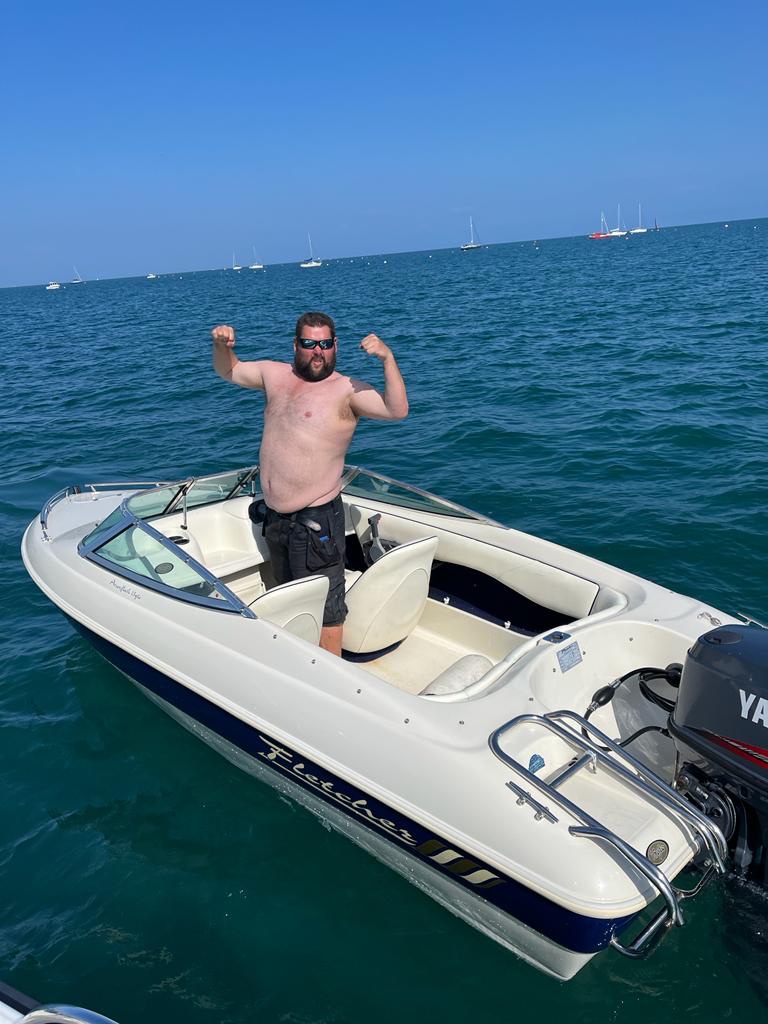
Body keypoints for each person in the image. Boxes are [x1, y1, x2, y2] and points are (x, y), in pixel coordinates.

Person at [210, 311, 408, 656]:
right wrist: (220, 346)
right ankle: (299, 661)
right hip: (276, 519)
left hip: (316, 523)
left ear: (335, 346)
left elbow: (397, 410)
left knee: (328, 611)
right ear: (296, 345)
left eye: (325, 344)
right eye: (309, 343)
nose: (318, 351)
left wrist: (387, 358)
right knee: (291, 599)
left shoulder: (346, 391)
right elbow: (229, 370)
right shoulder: (274, 374)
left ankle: (329, 676)